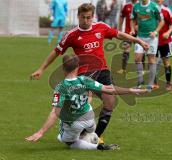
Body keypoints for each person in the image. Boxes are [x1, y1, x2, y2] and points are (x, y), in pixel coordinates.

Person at [30, 3, 149, 144]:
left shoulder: (101, 27)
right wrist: (41, 69)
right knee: (83, 104)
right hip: (85, 74)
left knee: (110, 102)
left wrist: (137, 40)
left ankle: (94, 137)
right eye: (82, 18)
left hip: (103, 70)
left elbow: (118, 34)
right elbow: (56, 51)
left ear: (92, 17)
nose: (85, 21)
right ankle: (72, 131)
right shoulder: (72, 35)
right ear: (78, 17)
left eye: (88, 18)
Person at [26, 55, 147, 150]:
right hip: (90, 119)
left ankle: (95, 147)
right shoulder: (85, 80)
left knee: (64, 139)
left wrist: (40, 132)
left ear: (62, 68)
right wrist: (130, 90)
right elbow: (109, 89)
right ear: (78, 67)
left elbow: (55, 113)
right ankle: (91, 135)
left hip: (75, 123)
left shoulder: (61, 87)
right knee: (88, 100)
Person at [130, 0, 164, 89]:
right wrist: (133, 29)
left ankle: (150, 84)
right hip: (140, 37)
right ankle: (140, 81)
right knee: (137, 59)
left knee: (151, 60)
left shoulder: (154, 6)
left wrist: (155, 32)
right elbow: (133, 20)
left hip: (151, 38)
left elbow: (161, 21)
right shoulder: (136, 7)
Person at [154, 0, 172, 91]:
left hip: (164, 41)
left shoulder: (166, 10)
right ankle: (154, 83)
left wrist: (168, 32)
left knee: (166, 62)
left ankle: (168, 83)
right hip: (152, 41)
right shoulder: (151, 8)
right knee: (152, 62)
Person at [117, 0, 138, 74]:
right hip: (128, 32)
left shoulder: (140, 5)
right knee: (126, 49)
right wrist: (119, 29)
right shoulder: (126, 6)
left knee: (139, 52)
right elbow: (121, 17)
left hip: (139, 33)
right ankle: (123, 69)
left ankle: (142, 69)